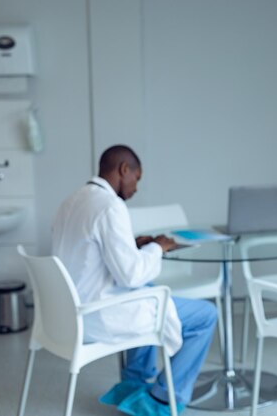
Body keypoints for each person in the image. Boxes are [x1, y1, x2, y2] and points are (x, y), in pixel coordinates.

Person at [51, 145, 217, 416]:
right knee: (205, 316)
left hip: (69, 313)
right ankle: (162, 399)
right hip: (96, 315)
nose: (136, 187)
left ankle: (133, 384)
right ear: (123, 170)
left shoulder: (71, 201)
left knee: (148, 294)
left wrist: (131, 245)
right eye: (137, 179)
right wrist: (157, 248)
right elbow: (130, 275)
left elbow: (87, 255)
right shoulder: (110, 206)